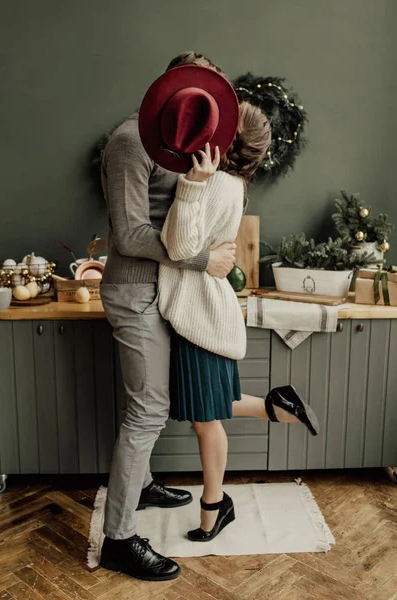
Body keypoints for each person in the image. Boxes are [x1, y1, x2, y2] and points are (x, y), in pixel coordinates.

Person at [137, 64, 317, 542]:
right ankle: (279, 406)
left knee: (205, 421)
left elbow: (178, 248)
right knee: (214, 403)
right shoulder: (234, 184)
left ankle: (214, 507)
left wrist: (193, 188)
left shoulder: (212, 182)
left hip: (197, 319)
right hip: (206, 315)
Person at [98, 52, 237, 582]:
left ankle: (145, 483)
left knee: (152, 403)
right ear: (169, 87)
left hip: (165, 292)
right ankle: (118, 539)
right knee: (147, 411)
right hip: (135, 294)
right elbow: (130, 235)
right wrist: (204, 259)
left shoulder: (177, 146)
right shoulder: (129, 141)